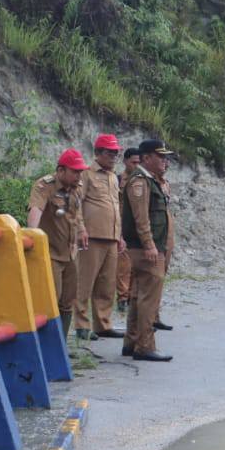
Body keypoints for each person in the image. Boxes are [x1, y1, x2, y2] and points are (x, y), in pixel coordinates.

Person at [121, 139, 176, 362]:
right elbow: (141, 218)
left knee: (137, 296)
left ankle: (131, 342)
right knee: (148, 299)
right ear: (146, 158)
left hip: (147, 248)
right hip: (146, 250)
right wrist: (150, 245)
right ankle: (144, 346)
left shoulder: (150, 180)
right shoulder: (140, 181)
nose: (164, 160)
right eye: (160, 156)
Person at [28, 149, 89, 340]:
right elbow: (35, 210)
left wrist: (82, 230)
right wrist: (33, 234)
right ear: (61, 170)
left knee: (67, 301)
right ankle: (46, 345)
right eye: (75, 171)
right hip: (51, 253)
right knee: (50, 300)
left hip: (71, 253)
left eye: (80, 171)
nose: (79, 175)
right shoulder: (44, 185)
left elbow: (76, 213)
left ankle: (60, 345)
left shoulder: (76, 187)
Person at [74, 134, 126, 342]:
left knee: (107, 284)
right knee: (85, 282)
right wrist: (80, 229)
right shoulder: (86, 174)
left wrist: (120, 235)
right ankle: (81, 326)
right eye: (109, 152)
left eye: (116, 152)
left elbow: (116, 208)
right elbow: (77, 203)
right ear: (98, 153)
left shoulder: (114, 177)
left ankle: (103, 324)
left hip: (111, 237)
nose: (113, 156)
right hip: (92, 236)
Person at [114, 145, 141, 313]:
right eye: (133, 162)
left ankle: (133, 296)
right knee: (123, 266)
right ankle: (122, 298)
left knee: (137, 265)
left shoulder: (143, 181)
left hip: (139, 228)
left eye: (139, 162)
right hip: (122, 227)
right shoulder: (117, 180)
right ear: (125, 162)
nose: (136, 166)